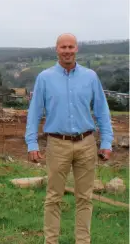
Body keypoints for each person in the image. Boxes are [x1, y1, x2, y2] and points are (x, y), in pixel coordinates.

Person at [25, 33, 114, 244]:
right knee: (53, 198)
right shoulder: (45, 78)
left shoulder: (90, 77)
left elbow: (102, 111)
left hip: (86, 143)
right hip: (57, 144)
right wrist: (31, 143)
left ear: (77, 49)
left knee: (85, 198)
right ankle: (51, 241)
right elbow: (34, 112)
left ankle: (83, 242)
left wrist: (107, 142)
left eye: (71, 47)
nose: (67, 51)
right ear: (56, 49)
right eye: (63, 47)